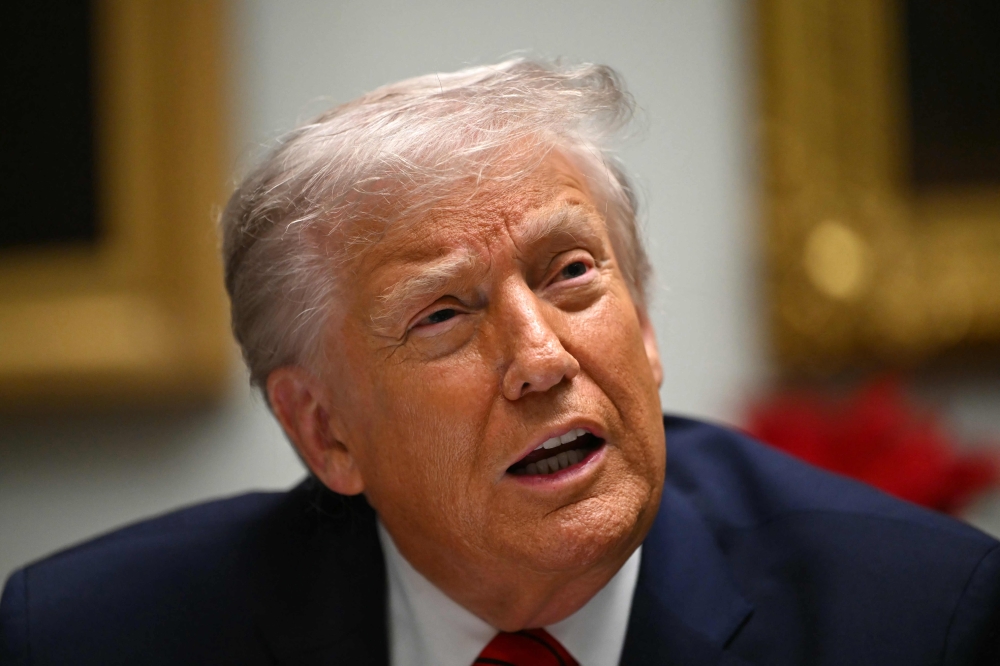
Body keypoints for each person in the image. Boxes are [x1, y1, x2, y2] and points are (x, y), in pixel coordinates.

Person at [2, 59, 999, 666]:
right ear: (324, 429)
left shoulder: (919, 620)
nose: (540, 357)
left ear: (646, 328)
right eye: (441, 314)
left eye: (571, 273)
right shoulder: (89, 638)